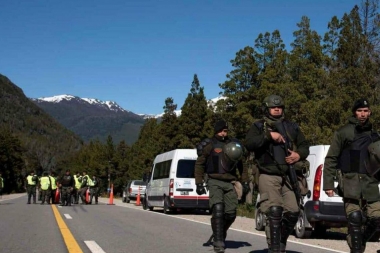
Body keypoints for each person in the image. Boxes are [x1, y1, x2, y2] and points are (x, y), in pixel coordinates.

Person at [245, 94, 310, 253]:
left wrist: (298, 155)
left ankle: (280, 240)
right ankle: (274, 248)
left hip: (289, 175)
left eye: (279, 107)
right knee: (274, 211)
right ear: (267, 108)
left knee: (293, 212)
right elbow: (249, 144)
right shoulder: (259, 126)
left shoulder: (292, 126)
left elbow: (304, 146)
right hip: (268, 173)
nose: (276, 109)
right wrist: (268, 136)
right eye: (273, 107)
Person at [323, 98, 380, 253]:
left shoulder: (375, 136)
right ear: (355, 112)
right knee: (354, 217)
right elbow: (331, 158)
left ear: (369, 112)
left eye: (365, 111)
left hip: (370, 183)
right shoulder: (343, 132)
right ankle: (356, 247)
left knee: (377, 219)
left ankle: (359, 240)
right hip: (350, 182)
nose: (363, 114)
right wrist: (328, 184)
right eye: (360, 111)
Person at [194, 119, 249, 253]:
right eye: (221, 131)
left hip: (230, 182)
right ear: (216, 130)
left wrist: (245, 182)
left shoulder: (233, 145)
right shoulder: (210, 145)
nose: (224, 133)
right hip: (214, 180)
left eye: (225, 131)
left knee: (231, 213)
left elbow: (242, 164)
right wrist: (199, 182)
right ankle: (218, 242)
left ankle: (220, 232)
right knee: (218, 209)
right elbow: (200, 164)